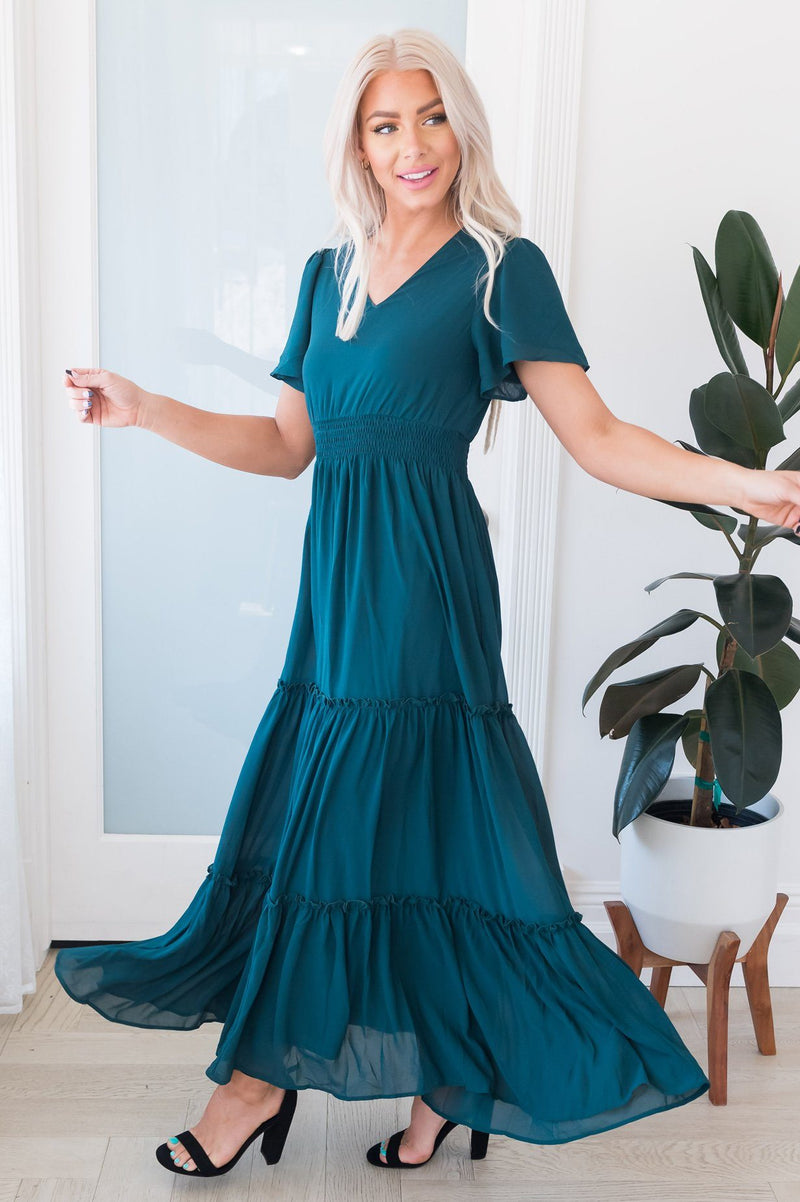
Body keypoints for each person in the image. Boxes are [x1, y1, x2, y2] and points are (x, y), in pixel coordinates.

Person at [56, 27, 800, 1181]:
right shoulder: (327, 276)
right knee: (406, 830)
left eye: (432, 116)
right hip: (335, 593)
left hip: (422, 585)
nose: (414, 144)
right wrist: (147, 407)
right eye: (386, 123)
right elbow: (285, 444)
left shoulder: (500, 269)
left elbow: (596, 436)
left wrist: (748, 483)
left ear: (461, 127)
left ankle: (252, 1083)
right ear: (357, 144)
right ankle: (443, 1083)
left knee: (349, 820)